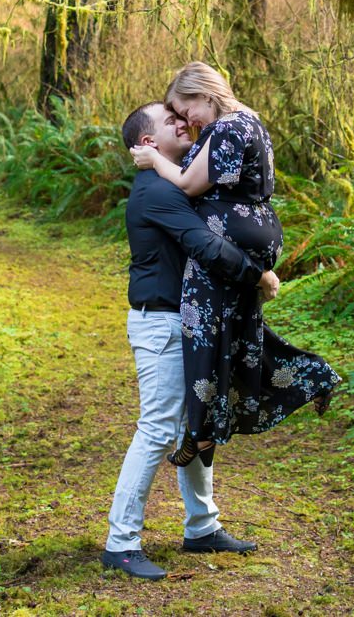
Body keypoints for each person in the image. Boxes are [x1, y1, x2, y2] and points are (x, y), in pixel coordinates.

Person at [131, 62, 339, 467]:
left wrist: (156, 161)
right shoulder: (247, 121)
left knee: (205, 335)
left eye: (184, 108)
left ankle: (204, 430)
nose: (186, 120)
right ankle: (209, 429)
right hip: (253, 233)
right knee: (238, 334)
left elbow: (191, 183)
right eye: (174, 115)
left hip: (232, 239)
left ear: (203, 94)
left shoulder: (226, 127)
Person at [101, 101, 275, 581]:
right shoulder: (157, 191)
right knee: (158, 428)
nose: (182, 122)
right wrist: (257, 274)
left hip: (192, 321)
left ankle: (201, 527)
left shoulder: (179, 181)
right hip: (162, 324)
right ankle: (121, 543)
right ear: (149, 144)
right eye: (169, 120)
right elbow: (203, 243)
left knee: (194, 423)